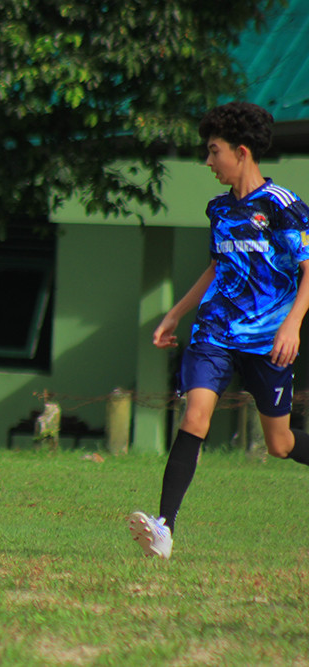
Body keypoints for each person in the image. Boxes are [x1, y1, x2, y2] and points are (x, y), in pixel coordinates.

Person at [129, 101, 309, 559]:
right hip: (215, 333)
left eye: (213, 151)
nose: (208, 161)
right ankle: (164, 529)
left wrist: (293, 324)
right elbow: (217, 267)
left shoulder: (282, 208)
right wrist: (175, 314)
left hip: (268, 341)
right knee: (195, 416)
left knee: (280, 444)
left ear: (242, 151)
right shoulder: (219, 209)